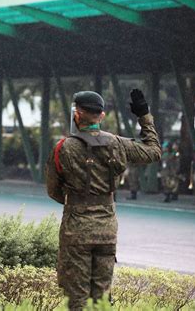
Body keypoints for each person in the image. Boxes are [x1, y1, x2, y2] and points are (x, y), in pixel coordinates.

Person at [45, 89, 161, 310]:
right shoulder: (117, 144)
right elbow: (153, 151)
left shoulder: (63, 148)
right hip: (107, 231)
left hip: (76, 232)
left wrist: (76, 202)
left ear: (77, 115)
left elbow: (53, 190)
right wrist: (144, 116)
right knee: (101, 300)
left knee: (76, 299)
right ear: (102, 116)